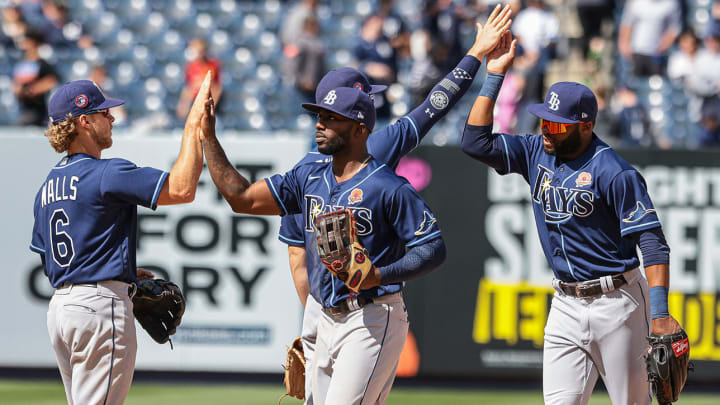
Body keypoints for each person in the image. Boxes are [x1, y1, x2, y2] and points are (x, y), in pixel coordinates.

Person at [278, 6, 513, 403]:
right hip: (351, 311)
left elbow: (297, 259)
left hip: (321, 307)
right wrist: (475, 54)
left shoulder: (305, 167)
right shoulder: (375, 146)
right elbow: (435, 105)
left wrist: (318, 319)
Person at [460, 31, 684, 404]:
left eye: (558, 124)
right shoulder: (536, 151)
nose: (547, 130)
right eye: (545, 120)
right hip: (564, 303)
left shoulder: (614, 171)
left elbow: (653, 244)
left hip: (619, 303)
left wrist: (660, 313)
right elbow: (474, 142)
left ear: (586, 125)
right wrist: (495, 74)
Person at [29, 73, 211, 405]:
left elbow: (51, 259)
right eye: (103, 113)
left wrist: (119, 269)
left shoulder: (46, 188)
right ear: (84, 121)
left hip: (61, 312)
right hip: (100, 308)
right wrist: (193, 125)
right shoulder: (105, 172)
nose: (111, 117)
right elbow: (182, 188)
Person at [12, 29, 58, 126]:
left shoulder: (43, 64)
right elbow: (16, 83)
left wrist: (32, 90)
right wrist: (18, 90)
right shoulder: (21, 63)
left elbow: (52, 80)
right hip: (22, 108)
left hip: (38, 109)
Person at [176, 37, 223, 120]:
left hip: (208, 102)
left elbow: (217, 87)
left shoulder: (213, 65)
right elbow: (188, 88)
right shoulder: (190, 66)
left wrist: (212, 107)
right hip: (195, 102)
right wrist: (183, 105)